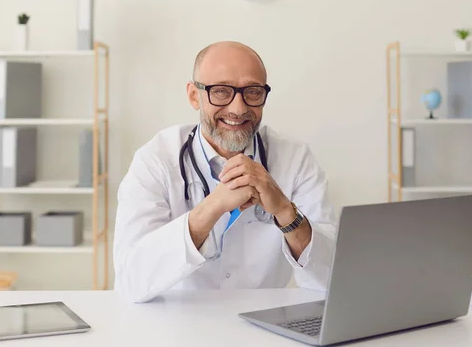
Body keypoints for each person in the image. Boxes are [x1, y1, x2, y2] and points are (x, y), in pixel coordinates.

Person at [113, 41, 338, 303]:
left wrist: (286, 212)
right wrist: (213, 207)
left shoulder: (295, 159)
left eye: (252, 92)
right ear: (194, 95)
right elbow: (131, 281)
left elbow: (330, 277)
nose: (238, 108)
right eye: (221, 91)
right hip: (178, 325)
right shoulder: (155, 160)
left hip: (264, 323)